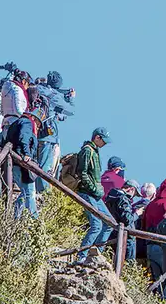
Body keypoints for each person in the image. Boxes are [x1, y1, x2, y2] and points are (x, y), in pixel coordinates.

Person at [75, 127, 114, 261]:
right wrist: (94, 188)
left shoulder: (94, 151)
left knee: (110, 223)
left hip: (95, 194)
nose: (104, 144)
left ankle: (96, 254)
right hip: (87, 192)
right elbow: (82, 173)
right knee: (97, 225)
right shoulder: (87, 150)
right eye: (103, 140)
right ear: (97, 138)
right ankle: (82, 256)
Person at [33, 71, 74, 193]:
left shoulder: (37, 90)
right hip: (48, 136)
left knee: (35, 164)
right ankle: (43, 195)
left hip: (35, 131)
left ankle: (35, 190)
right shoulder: (53, 95)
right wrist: (70, 99)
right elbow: (71, 111)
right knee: (45, 167)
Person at [5, 109, 44, 219]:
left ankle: (16, 218)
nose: (37, 128)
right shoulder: (27, 123)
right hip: (22, 163)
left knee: (24, 192)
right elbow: (24, 137)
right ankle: (34, 221)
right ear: (35, 119)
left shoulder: (17, 123)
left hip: (15, 162)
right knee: (30, 193)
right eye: (38, 125)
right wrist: (27, 154)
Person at [105, 179, 142, 259]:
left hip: (113, 234)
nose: (133, 197)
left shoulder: (112, 196)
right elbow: (127, 219)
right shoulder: (123, 199)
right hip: (126, 237)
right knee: (128, 264)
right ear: (131, 189)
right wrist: (137, 214)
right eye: (135, 194)